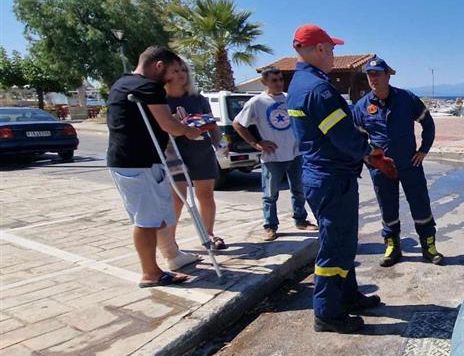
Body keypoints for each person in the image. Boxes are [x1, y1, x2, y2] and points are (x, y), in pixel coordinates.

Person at [286, 24, 397, 333]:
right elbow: (345, 137)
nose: (334, 55)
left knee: (343, 242)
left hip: (322, 176)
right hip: (332, 178)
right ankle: (327, 313)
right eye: (331, 49)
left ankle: (347, 297)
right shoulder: (318, 89)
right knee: (335, 246)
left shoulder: (301, 83)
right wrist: (373, 152)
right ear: (319, 49)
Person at [106, 46, 203, 288]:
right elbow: (167, 124)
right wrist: (189, 131)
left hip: (139, 161)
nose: (172, 77)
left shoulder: (124, 82)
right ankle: (150, 273)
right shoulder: (147, 87)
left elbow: (155, 122)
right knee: (146, 220)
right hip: (136, 163)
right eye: (171, 71)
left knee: (156, 217)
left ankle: (166, 261)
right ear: (159, 66)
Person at [351, 58, 442, 267]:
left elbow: (427, 123)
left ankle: (429, 246)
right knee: (387, 208)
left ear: (387, 75)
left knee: (420, 205)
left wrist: (423, 150)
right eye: (370, 75)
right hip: (381, 168)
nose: (373, 79)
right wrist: (368, 160)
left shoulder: (406, 98)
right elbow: (356, 140)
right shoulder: (361, 107)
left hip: (410, 165)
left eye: (377, 74)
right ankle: (392, 246)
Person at [233, 66, 318, 241]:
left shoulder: (290, 98)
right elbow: (238, 124)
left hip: (295, 154)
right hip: (273, 157)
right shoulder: (257, 102)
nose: (279, 83)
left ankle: (301, 220)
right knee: (270, 195)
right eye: (274, 80)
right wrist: (255, 143)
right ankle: (270, 226)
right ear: (264, 82)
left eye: (280, 80)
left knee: (299, 190)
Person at [155, 59, 222, 271]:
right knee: (177, 197)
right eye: (175, 70)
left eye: (184, 69)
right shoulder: (159, 100)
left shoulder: (197, 98)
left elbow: (212, 124)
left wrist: (218, 141)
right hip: (174, 153)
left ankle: (208, 234)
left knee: (206, 194)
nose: (181, 74)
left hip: (201, 151)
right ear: (165, 74)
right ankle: (170, 244)